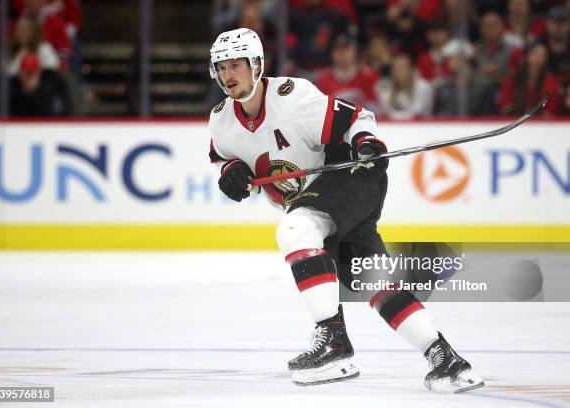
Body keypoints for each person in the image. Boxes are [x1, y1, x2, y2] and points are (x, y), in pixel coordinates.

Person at [207, 27, 484, 392]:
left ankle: (334, 343)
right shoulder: (222, 120)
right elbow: (221, 159)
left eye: (236, 65)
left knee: (294, 230)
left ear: (257, 65)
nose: (228, 76)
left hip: (350, 176)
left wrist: (367, 145)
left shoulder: (293, 98)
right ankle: (446, 359)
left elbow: (357, 119)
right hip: (322, 204)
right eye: (222, 68)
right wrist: (229, 174)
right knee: (372, 282)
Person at [315, 33, 380, 112]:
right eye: (338, 50)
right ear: (332, 53)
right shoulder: (323, 79)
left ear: (354, 52)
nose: (342, 53)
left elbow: (377, 106)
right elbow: (319, 109)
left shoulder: (369, 76)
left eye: (346, 49)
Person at [375, 53, 433, 119]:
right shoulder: (384, 88)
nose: (397, 73)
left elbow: (424, 114)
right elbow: (383, 114)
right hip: (392, 127)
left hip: (418, 127)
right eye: (394, 69)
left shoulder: (423, 88)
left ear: (411, 70)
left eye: (401, 68)